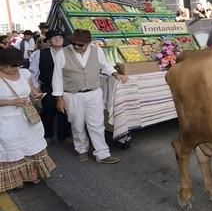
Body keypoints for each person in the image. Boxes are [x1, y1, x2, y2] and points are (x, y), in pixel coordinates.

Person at [52, 30, 128, 164]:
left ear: (89, 43)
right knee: (77, 124)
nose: (76, 47)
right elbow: (57, 77)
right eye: (74, 43)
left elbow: (105, 66)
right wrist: (59, 99)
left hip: (94, 93)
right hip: (72, 95)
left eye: (81, 45)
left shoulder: (97, 51)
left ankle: (102, 153)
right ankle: (81, 149)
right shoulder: (62, 54)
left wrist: (116, 74)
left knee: (97, 124)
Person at [0, 48, 55, 192]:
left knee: (30, 146)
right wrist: (12, 102)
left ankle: (32, 174)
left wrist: (36, 95)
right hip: (6, 120)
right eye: (12, 66)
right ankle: (16, 179)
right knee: (12, 148)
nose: (16, 68)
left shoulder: (24, 73)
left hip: (27, 117)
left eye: (18, 64)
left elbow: (31, 90)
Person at [29, 29, 71, 142]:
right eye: (54, 38)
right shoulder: (39, 54)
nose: (58, 39)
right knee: (48, 111)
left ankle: (64, 135)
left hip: (67, 88)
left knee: (65, 112)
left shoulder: (69, 53)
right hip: (47, 88)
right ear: (48, 42)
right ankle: (48, 134)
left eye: (60, 37)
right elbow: (33, 73)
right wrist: (36, 89)